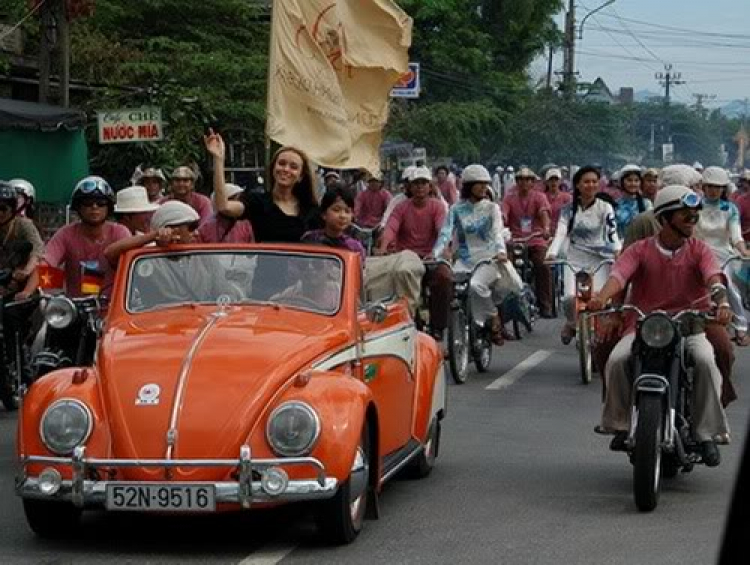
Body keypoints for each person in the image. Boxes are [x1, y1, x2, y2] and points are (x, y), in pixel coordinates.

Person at [589, 185, 731, 466]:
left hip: (690, 326)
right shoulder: (640, 250)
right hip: (644, 326)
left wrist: (723, 302)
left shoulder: (699, 250)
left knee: (705, 362)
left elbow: (714, 279)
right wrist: (601, 298)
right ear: (665, 219)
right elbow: (619, 276)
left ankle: (706, 434)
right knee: (617, 360)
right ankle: (618, 423)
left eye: (694, 216)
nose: (692, 221)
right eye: (685, 216)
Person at [431, 164, 509, 345]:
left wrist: (501, 251)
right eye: (478, 184)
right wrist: (436, 254)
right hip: (464, 261)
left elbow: (498, 232)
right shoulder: (456, 209)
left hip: (489, 259)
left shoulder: (492, 208)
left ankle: (493, 316)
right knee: (453, 289)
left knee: (475, 286)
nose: (484, 187)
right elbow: (445, 233)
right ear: (468, 186)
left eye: (485, 184)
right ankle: (457, 329)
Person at [377, 166, 451, 344]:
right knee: (391, 279)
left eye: (423, 183)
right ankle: (402, 322)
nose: (419, 187)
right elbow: (391, 228)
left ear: (429, 186)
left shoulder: (437, 207)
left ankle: (438, 326)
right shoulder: (401, 207)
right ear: (409, 187)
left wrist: (439, 251)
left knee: (444, 278)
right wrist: (383, 246)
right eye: (416, 184)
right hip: (407, 258)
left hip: (431, 257)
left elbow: (443, 230)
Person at [546, 165, 620, 343]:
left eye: (594, 182)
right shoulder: (568, 210)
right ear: (577, 185)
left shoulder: (605, 207)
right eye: (586, 182)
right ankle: (572, 323)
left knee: (600, 299)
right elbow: (561, 233)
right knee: (569, 298)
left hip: (600, 259)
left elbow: (612, 233)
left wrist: (617, 251)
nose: (591, 185)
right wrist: (552, 253)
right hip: (575, 258)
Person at [206, 130, 320, 244]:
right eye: (281, 163)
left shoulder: (310, 209)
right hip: (266, 261)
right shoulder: (258, 202)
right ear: (273, 168)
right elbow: (223, 207)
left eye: (293, 167)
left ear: (300, 176)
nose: (286, 169)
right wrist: (218, 159)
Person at [130, 201, 237, 310]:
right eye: (191, 228)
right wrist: (154, 236)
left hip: (204, 319)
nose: (196, 233)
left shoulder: (205, 257)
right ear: (172, 230)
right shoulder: (145, 261)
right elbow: (113, 253)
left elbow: (226, 292)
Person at [43, 176, 131, 299]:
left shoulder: (119, 232)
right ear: (78, 207)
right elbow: (46, 264)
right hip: (75, 310)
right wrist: (30, 292)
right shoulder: (66, 234)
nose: (94, 207)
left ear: (108, 208)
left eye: (101, 203)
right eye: (88, 203)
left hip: (114, 308)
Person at [694, 166, 750, 346]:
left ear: (723, 189)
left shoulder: (730, 208)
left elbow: (736, 235)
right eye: (710, 186)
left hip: (724, 255)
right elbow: (690, 231)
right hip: (698, 253)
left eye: (718, 187)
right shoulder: (695, 205)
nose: (713, 191)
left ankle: (741, 327)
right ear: (704, 187)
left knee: (728, 287)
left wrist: (743, 250)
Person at [502, 166, 554, 317]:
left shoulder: (539, 197)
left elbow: (544, 213)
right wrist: (501, 222)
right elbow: (504, 213)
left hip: (535, 239)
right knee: (505, 267)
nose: (524, 183)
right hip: (515, 240)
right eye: (520, 180)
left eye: (527, 180)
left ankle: (545, 305)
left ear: (533, 182)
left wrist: (545, 228)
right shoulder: (509, 198)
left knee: (542, 265)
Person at [0, 181, 43, 300]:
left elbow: (37, 250)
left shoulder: (24, 225)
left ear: (13, 209)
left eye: (3, 208)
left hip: (19, 279)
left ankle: (26, 293)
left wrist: (26, 271)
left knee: (38, 266)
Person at [302, 185, 366, 263]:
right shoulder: (310, 239)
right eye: (336, 210)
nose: (342, 216)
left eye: (347, 211)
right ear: (324, 214)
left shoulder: (355, 247)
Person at [614, 164, 651, 239]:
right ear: (622, 182)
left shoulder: (646, 204)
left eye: (636, 180)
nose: (633, 184)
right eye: (629, 180)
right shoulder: (615, 204)